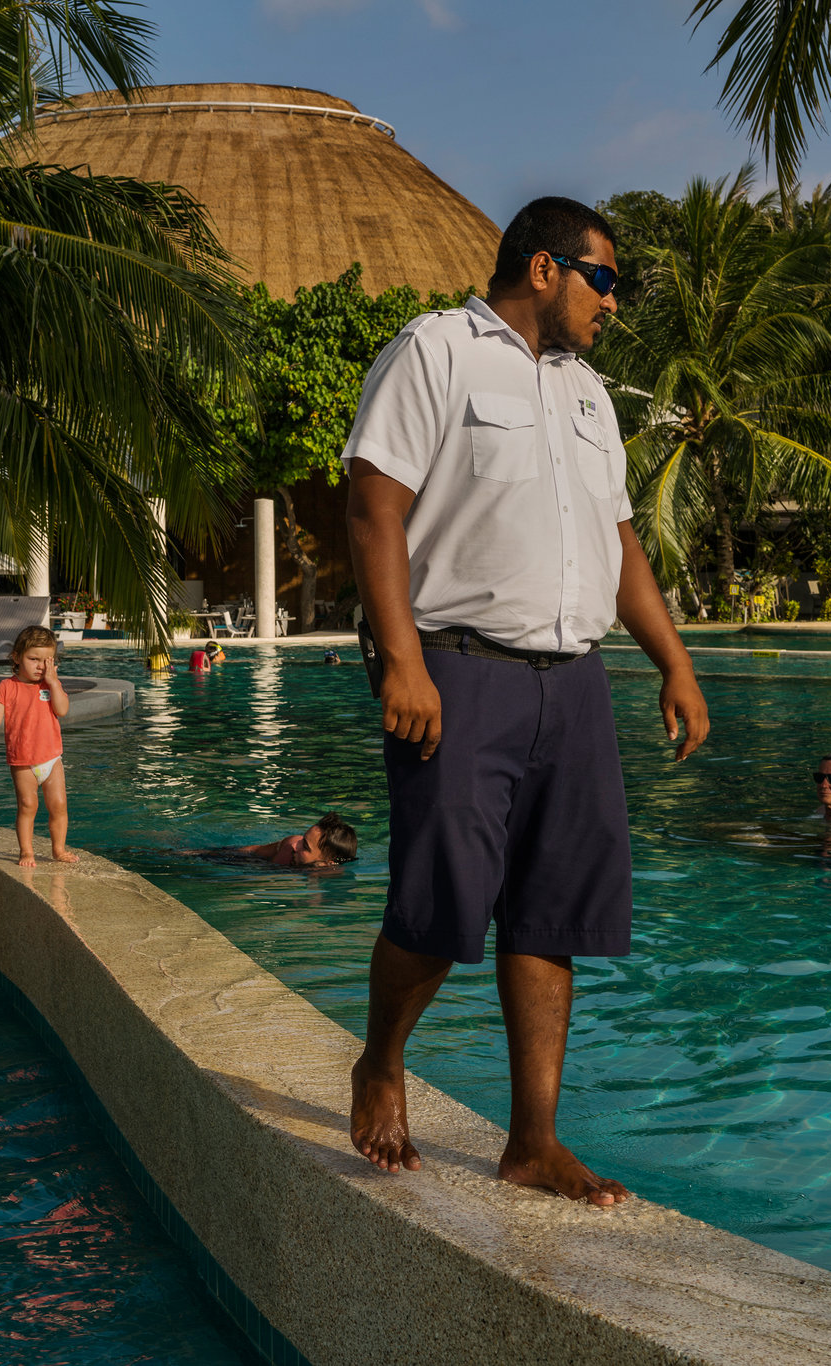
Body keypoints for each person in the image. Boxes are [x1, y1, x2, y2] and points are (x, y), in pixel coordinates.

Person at [341, 196, 709, 1206]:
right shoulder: (435, 352)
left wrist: (673, 662)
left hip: (574, 681)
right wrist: (402, 660)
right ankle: (381, 1058)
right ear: (544, 269)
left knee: (553, 914)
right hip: (460, 669)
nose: (613, 303)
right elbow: (373, 506)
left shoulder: (588, 394)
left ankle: (532, 1142)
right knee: (440, 903)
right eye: (604, 279)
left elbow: (618, 541)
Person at [0, 625, 77, 867]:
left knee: (59, 805)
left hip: (51, 759)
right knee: (28, 805)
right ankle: (26, 851)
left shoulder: (50, 685)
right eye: (33, 659)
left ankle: (58, 849)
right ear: (16, 657)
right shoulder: (7, 687)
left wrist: (54, 683)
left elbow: (62, 710)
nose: (40, 666)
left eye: (46, 661)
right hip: (23, 762)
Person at [239, 813, 360, 867]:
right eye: (303, 839)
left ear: (328, 863)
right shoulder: (288, 848)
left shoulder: (334, 877)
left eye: (305, 847)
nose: (295, 845)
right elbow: (253, 851)